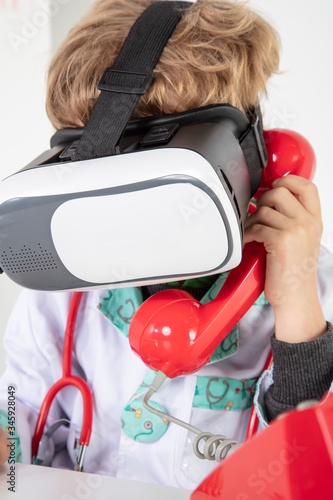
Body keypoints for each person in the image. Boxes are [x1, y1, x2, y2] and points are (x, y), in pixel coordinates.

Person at [0, 0, 333, 490]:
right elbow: (17, 413)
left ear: (245, 156)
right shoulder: (60, 293)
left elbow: (307, 468)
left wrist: (299, 307)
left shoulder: (310, 286)